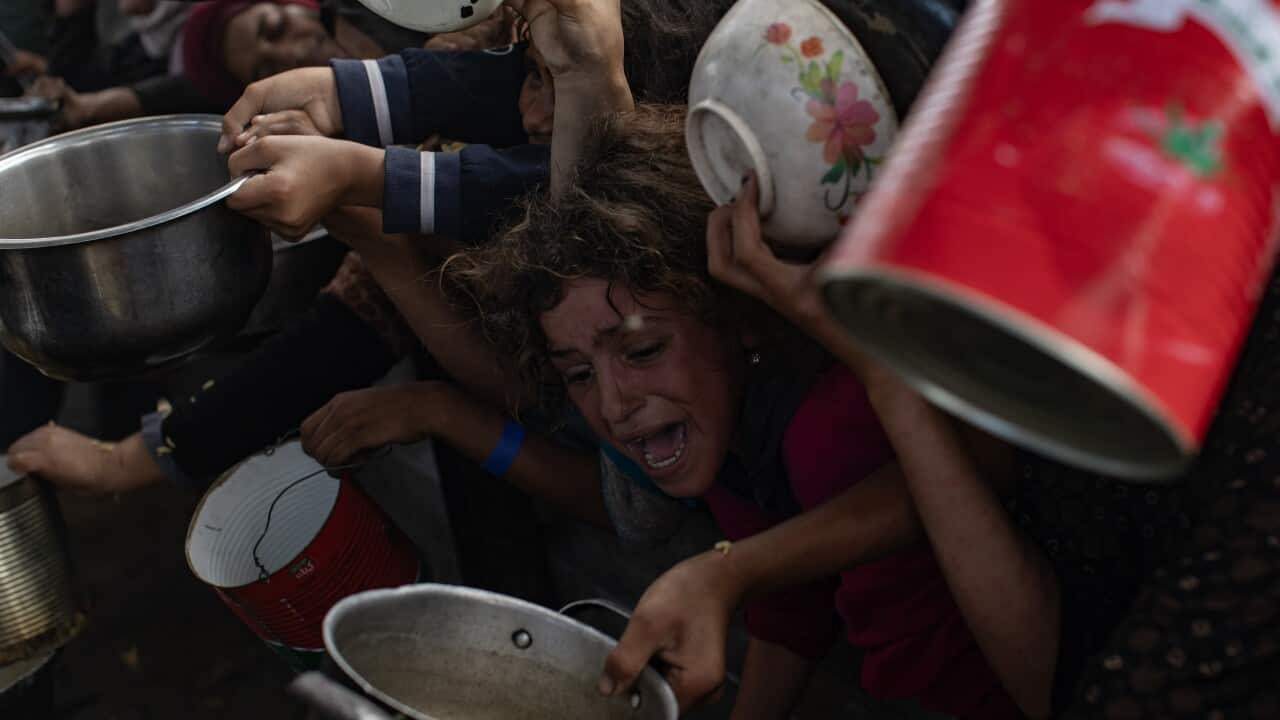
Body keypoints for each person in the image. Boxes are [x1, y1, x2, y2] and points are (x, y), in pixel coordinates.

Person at [441, 103, 1020, 720]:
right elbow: (793, 600)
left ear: (732, 312)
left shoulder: (831, 431)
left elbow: (915, 542)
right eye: (578, 373)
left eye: (642, 349)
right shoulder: (728, 431)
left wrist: (725, 574)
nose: (613, 405)